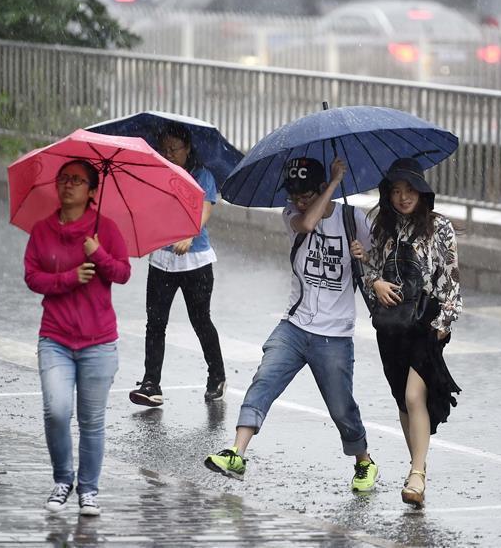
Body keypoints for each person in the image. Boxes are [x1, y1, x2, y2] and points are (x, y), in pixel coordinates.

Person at [204, 157, 379, 492]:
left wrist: (364, 254)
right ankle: (237, 454)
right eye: (294, 195)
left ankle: (364, 462)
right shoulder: (291, 215)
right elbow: (308, 224)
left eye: (305, 195)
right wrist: (333, 183)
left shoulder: (352, 219)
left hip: (334, 335)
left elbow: (381, 258)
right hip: (294, 326)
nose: (298, 201)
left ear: (319, 189)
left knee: (341, 408)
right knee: (264, 380)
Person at [24, 160, 131, 516]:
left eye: (77, 180)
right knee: (56, 411)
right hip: (55, 338)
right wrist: (69, 277)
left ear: (92, 191)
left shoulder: (106, 229)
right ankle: (62, 480)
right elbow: (32, 277)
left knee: (91, 421)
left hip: (99, 343)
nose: (68, 185)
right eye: (63, 178)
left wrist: (97, 253)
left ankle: (88, 490)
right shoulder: (42, 231)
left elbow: (123, 273)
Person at [357, 158, 462, 508]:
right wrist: (373, 278)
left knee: (416, 395)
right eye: (396, 191)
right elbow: (372, 275)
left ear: (422, 192)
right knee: (403, 399)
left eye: (409, 190)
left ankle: (416, 473)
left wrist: (443, 324)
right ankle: (418, 466)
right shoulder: (383, 229)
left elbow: (451, 279)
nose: (403, 198)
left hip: (427, 322)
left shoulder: (440, 227)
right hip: (391, 326)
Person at [129, 124, 227, 407]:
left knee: (200, 320)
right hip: (162, 259)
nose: (169, 154)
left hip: (196, 260)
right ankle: (151, 384)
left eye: (174, 149)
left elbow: (205, 208)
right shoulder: (157, 174)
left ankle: (217, 376)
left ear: (188, 148)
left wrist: (190, 233)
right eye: (164, 149)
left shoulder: (202, 175)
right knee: (155, 323)